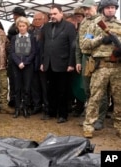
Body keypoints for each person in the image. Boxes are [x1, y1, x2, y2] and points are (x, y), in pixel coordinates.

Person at [82, 0, 121, 138]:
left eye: (113, 8)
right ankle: (88, 127)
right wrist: (100, 39)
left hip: (118, 68)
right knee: (95, 98)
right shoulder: (94, 25)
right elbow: (85, 45)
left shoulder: (120, 25)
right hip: (101, 67)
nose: (111, 10)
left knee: (119, 99)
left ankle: (119, 127)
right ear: (102, 9)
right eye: (108, 8)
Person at [40, 4, 76, 123]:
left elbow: (73, 47)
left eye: (55, 14)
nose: (52, 16)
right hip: (49, 64)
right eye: (51, 14)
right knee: (50, 90)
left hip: (63, 64)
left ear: (62, 13)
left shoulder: (69, 27)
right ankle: (51, 112)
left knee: (63, 91)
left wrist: (71, 63)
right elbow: (42, 45)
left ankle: (63, 114)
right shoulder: (46, 27)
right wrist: (42, 62)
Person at [77, 0, 108, 130]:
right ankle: (90, 115)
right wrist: (78, 60)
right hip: (86, 58)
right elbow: (80, 43)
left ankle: (100, 118)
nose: (86, 11)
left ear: (95, 7)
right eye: (84, 9)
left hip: (98, 58)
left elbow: (105, 41)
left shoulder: (102, 21)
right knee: (87, 88)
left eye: (88, 9)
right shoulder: (84, 22)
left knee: (100, 90)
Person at [10, 16, 36, 118]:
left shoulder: (31, 38)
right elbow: (12, 52)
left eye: (23, 26)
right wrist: (18, 63)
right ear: (17, 27)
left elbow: (33, 52)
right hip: (16, 66)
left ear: (27, 26)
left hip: (28, 66)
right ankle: (17, 108)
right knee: (17, 88)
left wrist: (25, 62)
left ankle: (25, 108)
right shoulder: (14, 38)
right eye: (20, 26)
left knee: (27, 88)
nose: (21, 28)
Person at [28, 11, 49, 116]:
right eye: (35, 19)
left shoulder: (47, 30)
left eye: (39, 19)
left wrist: (43, 62)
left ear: (44, 19)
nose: (36, 21)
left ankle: (46, 106)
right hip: (32, 63)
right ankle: (37, 105)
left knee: (44, 86)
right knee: (34, 85)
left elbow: (47, 49)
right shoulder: (30, 32)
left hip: (43, 63)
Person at [7, 7, 27, 108]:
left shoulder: (26, 27)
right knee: (13, 80)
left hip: (23, 57)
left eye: (16, 15)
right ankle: (13, 100)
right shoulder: (12, 26)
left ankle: (23, 101)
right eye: (14, 15)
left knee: (23, 81)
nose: (14, 17)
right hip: (12, 56)